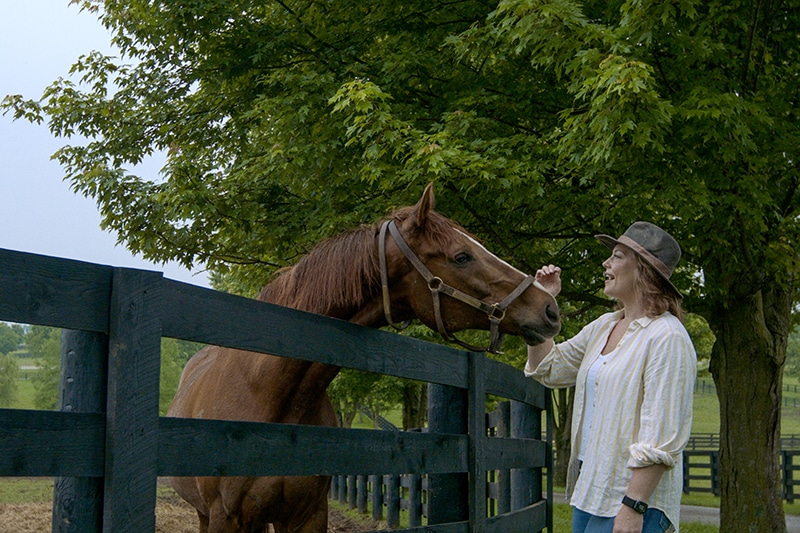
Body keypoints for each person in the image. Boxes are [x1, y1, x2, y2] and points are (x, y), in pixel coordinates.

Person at [525, 222, 696, 533]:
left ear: (643, 271)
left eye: (617, 256)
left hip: (633, 504)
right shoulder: (605, 325)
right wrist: (541, 302)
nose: (606, 263)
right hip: (591, 494)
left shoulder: (667, 337)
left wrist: (634, 507)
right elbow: (549, 367)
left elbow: (662, 437)